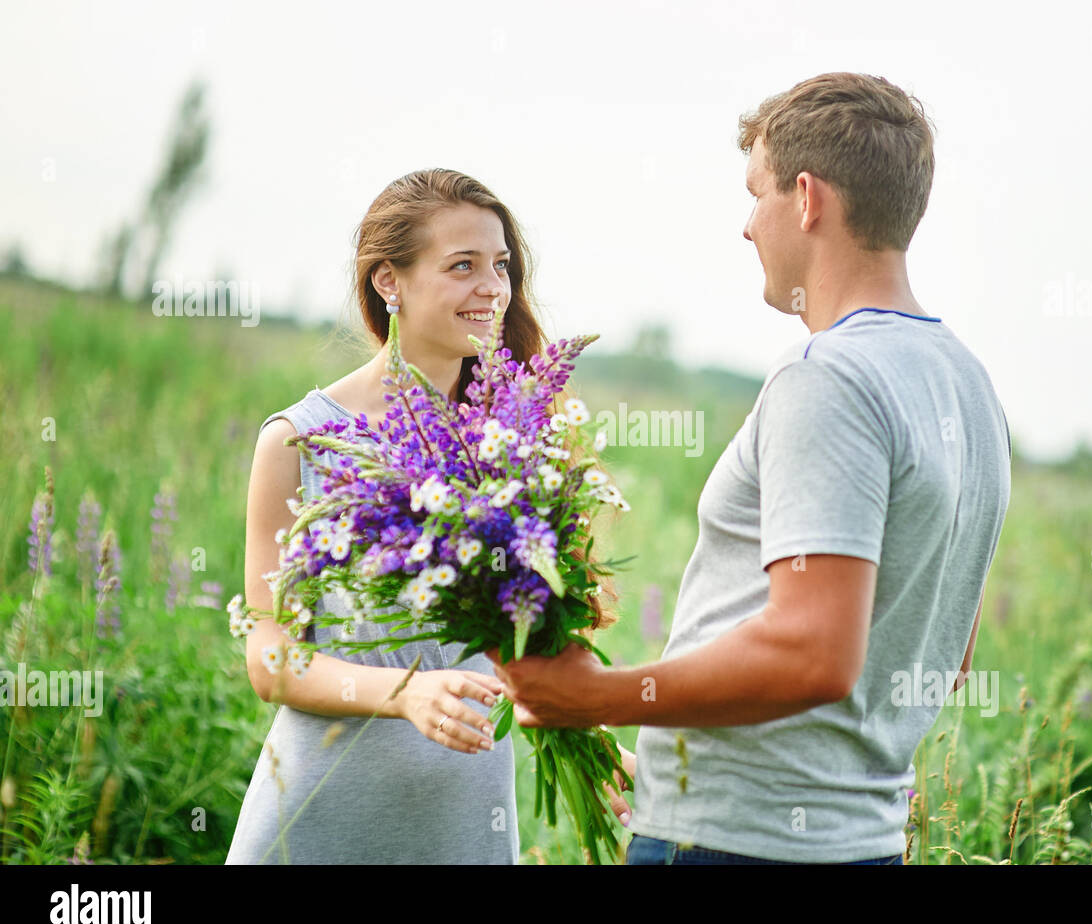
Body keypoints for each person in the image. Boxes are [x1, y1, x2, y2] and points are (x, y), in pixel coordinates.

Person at [488, 72, 1013, 865]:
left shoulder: (828, 376)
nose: (745, 227)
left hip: (739, 848)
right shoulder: (969, 388)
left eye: (755, 193)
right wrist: (682, 772)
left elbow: (814, 651)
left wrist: (596, 698)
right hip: (851, 844)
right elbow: (940, 648)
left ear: (807, 200)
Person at [226, 169, 566, 864]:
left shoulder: (516, 441)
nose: (493, 289)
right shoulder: (302, 440)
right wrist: (404, 693)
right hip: (319, 826)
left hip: (465, 831)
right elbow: (270, 659)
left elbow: (529, 643)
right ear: (390, 281)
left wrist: (584, 740)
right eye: (463, 266)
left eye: (500, 266)